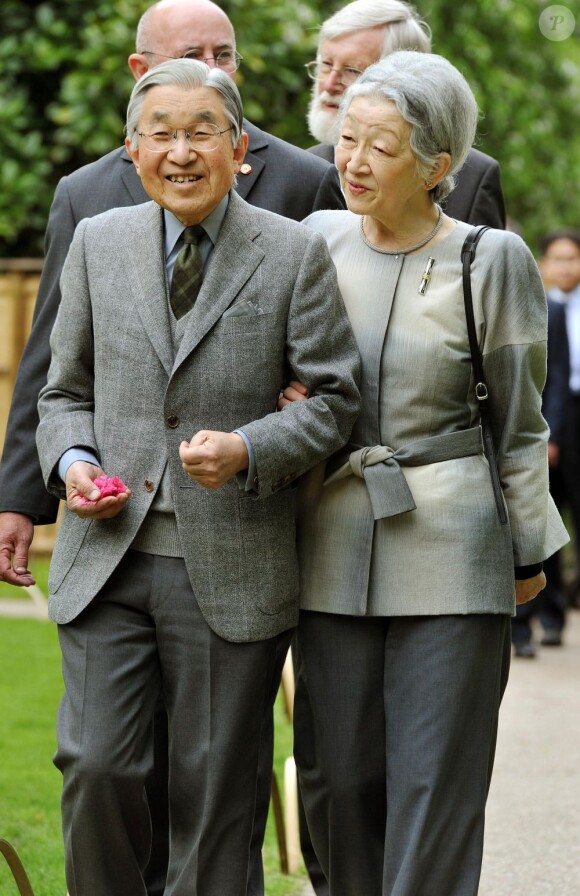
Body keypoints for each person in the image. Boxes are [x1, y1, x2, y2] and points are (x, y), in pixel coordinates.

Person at [0, 2, 346, 893]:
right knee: (99, 766)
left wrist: (248, 447)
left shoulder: (292, 252)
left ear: (240, 151)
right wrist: (72, 465)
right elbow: (60, 390)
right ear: (133, 149)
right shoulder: (95, 242)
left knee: (217, 792)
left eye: (204, 133)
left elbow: (336, 401)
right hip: (106, 556)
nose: (182, 152)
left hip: (232, 558)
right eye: (162, 134)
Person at [281, 51, 568, 896]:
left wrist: (527, 556)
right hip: (330, 536)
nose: (353, 161)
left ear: (438, 167)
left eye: (381, 146)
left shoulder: (495, 258)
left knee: (433, 783)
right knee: (336, 780)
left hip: (453, 543)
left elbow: (518, 422)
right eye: (348, 138)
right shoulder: (313, 239)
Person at [305, 0, 506, 228]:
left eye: (352, 70)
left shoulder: (474, 179)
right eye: (326, 65)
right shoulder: (299, 169)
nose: (330, 83)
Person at [511, 295, 570, 656]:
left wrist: (551, 435)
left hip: (544, 428)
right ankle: (520, 627)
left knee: (547, 522)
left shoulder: (551, 307)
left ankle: (552, 616)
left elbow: (557, 376)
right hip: (510, 430)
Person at [538, 229, 580, 609]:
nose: (566, 266)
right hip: (551, 415)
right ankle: (547, 607)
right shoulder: (538, 306)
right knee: (546, 509)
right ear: (545, 263)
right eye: (559, 258)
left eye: (573, 258)